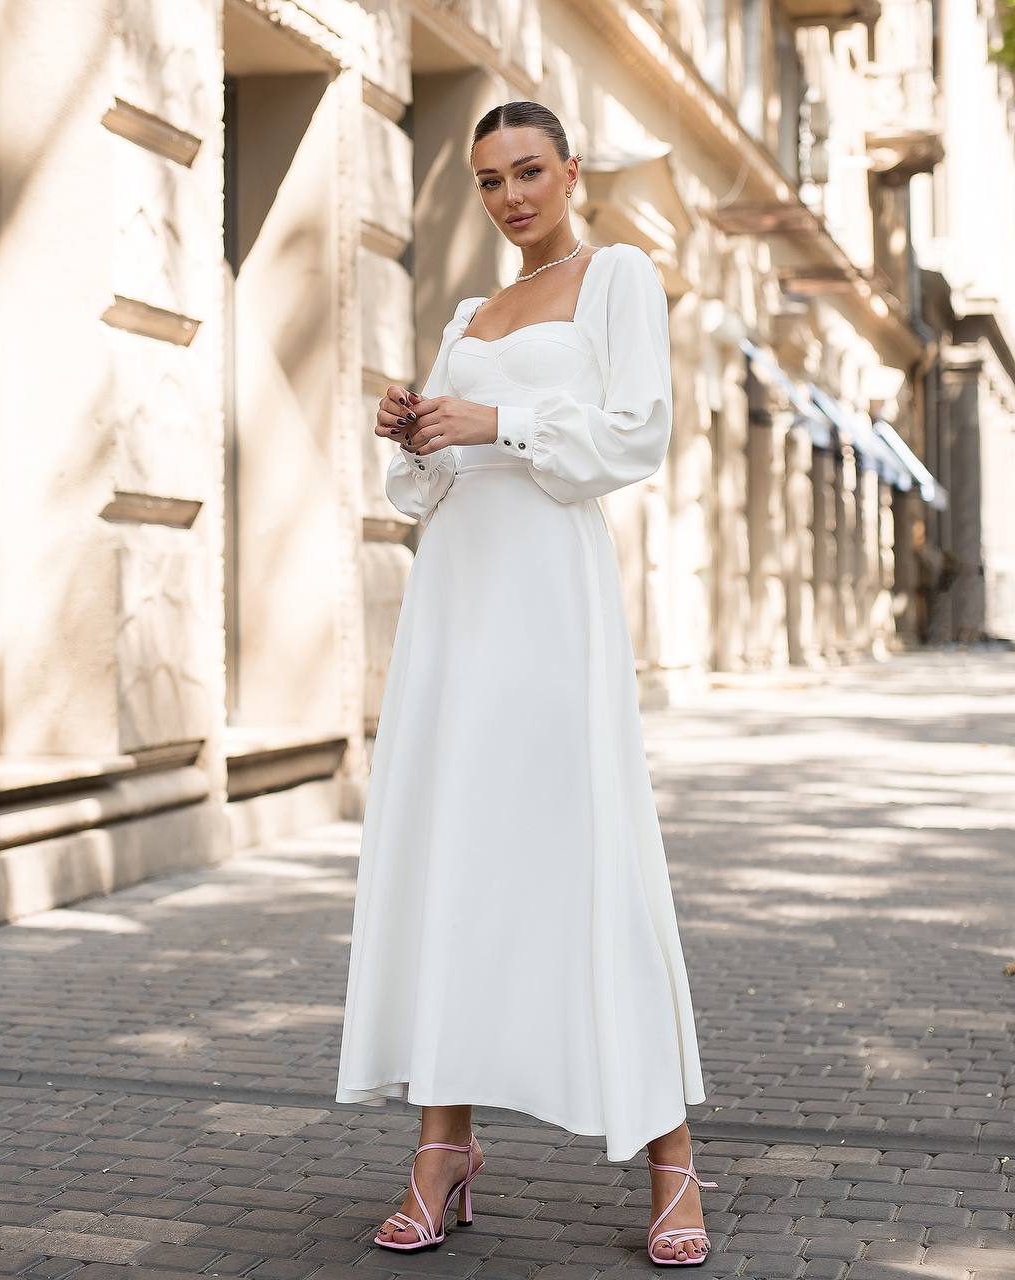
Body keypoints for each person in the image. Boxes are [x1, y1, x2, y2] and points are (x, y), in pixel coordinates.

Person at [335, 99, 716, 1268]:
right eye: (491, 179)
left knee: (585, 848)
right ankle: (441, 1148)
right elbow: (439, 484)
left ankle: (670, 1156)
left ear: (570, 169)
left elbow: (633, 436)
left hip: (551, 607)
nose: (511, 197)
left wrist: (495, 418)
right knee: (452, 852)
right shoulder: (468, 311)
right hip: (457, 606)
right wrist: (422, 436)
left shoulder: (619, 279)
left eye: (530, 172)